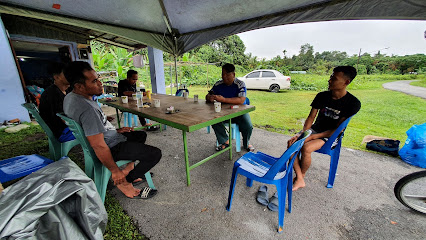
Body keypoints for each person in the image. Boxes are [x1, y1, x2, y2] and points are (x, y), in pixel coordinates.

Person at [63, 61, 161, 199]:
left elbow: (94, 128)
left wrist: (115, 131)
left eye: (98, 79)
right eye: (94, 81)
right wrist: (115, 171)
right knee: (155, 154)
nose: (100, 83)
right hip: (110, 147)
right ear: (79, 86)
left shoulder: (70, 98)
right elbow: (98, 145)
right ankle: (125, 181)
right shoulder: (87, 109)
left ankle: (128, 169)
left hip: (106, 139)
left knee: (140, 135)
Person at [288, 66, 361, 191]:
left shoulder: (353, 103)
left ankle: (301, 176)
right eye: (331, 77)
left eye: (334, 78)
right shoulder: (322, 96)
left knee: (306, 147)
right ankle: (300, 178)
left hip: (332, 135)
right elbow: (311, 117)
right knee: (291, 143)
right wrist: (304, 133)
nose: (330, 80)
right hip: (315, 129)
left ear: (346, 82)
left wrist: (312, 137)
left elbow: (339, 130)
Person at [205, 63, 254, 151]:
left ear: (233, 74)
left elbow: (241, 100)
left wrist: (223, 99)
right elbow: (208, 95)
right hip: (223, 113)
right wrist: (210, 97)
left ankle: (246, 143)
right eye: (223, 74)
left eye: (227, 74)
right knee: (213, 119)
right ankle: (225, 141)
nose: (224, 76)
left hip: (239, 113)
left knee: (248, 125)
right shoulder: (218, 84)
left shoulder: (240, 84)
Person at [39, 62, 75, 142]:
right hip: (63, 132)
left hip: (66, 128)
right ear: (57, 77)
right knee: (96, 130)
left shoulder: (68, 91)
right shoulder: (51, 94)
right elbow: (64, 119)